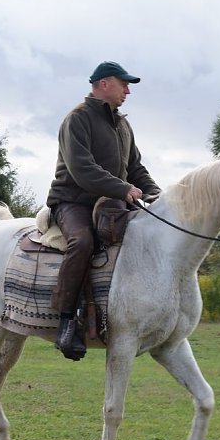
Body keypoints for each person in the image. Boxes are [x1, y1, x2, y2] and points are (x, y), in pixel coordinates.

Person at [46, 61, 162, 361]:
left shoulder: (123, 125)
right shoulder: (77, 119)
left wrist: (158, 196)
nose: (128, 91)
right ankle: (66, 321)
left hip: (111, 204)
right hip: (73, 201)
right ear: (104, 84)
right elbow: (83, 169)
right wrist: (123, 189)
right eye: (124, 84)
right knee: (82, 242)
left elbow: (135, 168)